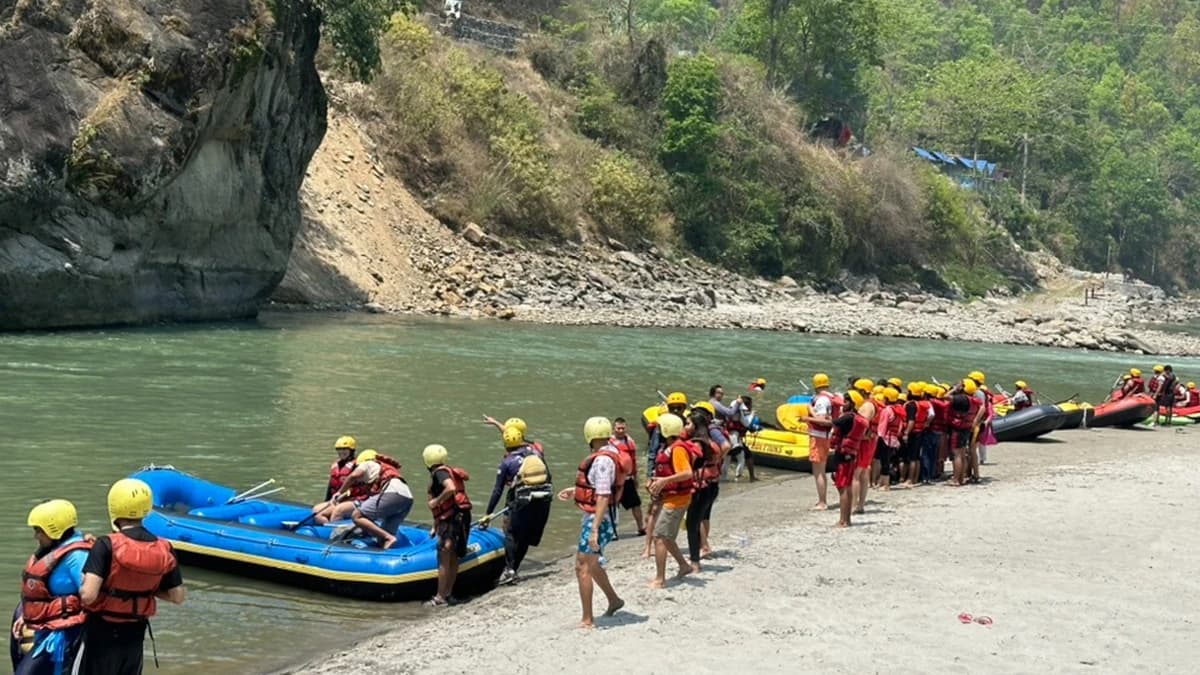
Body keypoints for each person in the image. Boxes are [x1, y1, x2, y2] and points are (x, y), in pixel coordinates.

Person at [79, 479, 184, 675]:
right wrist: (146, 591)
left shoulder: (105, 544)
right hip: (135, 634)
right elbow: (177, 596)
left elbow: (88, 595)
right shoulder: (165, 547)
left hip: (101, 633)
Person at [12, 500, 91, 675]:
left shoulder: (77, 557)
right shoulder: (55, 550)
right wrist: (27, 615)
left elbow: (92, 598)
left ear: (54, 530)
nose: (36, 536)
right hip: (49, 630)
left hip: (67, 635)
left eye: (39, 531)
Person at [565, 417, 624, 628]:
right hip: (605, 517)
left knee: (582, 565)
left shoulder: (601, 461)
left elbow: (603, 495)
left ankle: (587, 619)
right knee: (593, 562)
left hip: (600, 520)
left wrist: (595, 530)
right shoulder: (612, 454)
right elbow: (601, 488)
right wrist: (575, 491)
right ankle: (614, 600)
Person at [482, 425, 552, 585]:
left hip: (522, 501)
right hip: (543, 499)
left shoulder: (507, 462)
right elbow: (549, 475)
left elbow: (497, 490)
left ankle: (509, 570)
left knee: (512, 534)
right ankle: (514, 569)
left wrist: (488, 513)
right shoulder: (536, 453)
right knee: (526, 536)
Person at [646, 414, 699, 588]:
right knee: (667, 537)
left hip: (677, 500)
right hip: (672, 497)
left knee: (660, 537)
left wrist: (664, 481)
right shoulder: (670, 447)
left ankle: (660, 579)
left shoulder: (677, 449)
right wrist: (657, 481)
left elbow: (687, 473)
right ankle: (684, 566)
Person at [424, 444, 472, 607]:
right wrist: (435, 525)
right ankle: (448, 594)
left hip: (452, 519)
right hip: (461, 516)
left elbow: (450, 489)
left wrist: (436, 501)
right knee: (452, 556)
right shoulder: (447, 470)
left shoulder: (439, 474)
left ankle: (439, 597)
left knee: (444, 556)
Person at [336, 449, 413, 549]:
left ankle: (389, 537)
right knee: (382, 539)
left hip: (392, 493)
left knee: (357, 516)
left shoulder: (367, 463)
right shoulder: (380, 469)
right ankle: (386, 549)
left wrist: (339, 492)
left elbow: (353, 476)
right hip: (407, 498)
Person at [686, 402, 729, 565]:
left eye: (688, 423)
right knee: (701, 518)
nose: (685, 426)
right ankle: (702, 548)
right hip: (713, 485)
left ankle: (695, 561)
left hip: (701, 487)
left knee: (693, 524)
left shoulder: (698, 443)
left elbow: (689, 465)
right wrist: (717, 461)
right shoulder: (710, 441)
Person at [831, 391, 871, 527]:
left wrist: (808, 419)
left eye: (847, 401)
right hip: (850, 455)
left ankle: (843, 521)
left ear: (853, 403)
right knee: (846, 487)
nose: (844, 403)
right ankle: (846, 520)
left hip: (843, 455)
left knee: (843, 488)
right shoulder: (859, 419)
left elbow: (830, 423)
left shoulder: (848, 418)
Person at [802, 373, 837, 510]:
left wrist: (808, 418)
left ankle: (822, 502)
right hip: (825, 436)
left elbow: (823, 421)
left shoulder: (822, 400)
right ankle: (822, 500)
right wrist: (811, 409)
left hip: (819, 437)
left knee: (819, 471)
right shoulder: (831, 397)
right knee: (820, 470)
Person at [608, 418, 643, 537]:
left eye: (623, 428)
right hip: (615, 479)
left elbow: (633, 461)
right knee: (613, 505)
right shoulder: (609, 443)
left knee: (636, 504)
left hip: (628, 479)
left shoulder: (630, 442)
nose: (621, 430)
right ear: (614, 429)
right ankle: (613, 531)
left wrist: (635, 477)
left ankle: (640, 527)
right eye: (618, 428)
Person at [853, 389, 879, 514]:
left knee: (856, 474)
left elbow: (863, 424)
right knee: (863, 473)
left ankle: (854, 505)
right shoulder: (872, 403)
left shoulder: (867, 406)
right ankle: (860, 505)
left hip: (864, 442)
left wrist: (857, 437)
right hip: (870, 441)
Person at [947, 380, 977, 487]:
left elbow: (945, 396)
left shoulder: (961, 399)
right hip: (966, 428)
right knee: (962, 454)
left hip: (958, 429)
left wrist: (955, 389)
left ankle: (956, 480)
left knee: (957, 455)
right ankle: (961, 478)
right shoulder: (972, 400)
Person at [873, 387, 902, 491]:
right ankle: (882, 483)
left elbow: (882, 425)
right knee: (887, 461)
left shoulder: (886, 410)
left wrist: (879, 436)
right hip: (893, 439)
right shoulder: (898, 409)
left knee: (884, 462)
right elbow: (900, 426)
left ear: (886, 398)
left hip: (885, 438)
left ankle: (885, 485)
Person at [326, 436, 358, 500]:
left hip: (350, 499)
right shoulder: (335, 465)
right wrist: (326, 500)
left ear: (351, 451)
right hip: (335, 499)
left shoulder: (356, 465)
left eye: (344, 449)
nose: (341, 452)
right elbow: (330, 486)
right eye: (339, 449)